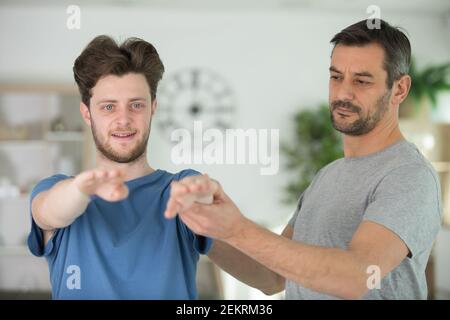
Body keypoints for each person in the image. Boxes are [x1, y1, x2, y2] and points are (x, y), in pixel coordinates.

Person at [165, 19, 443, 299]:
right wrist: (205, 229)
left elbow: (357, 277)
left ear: (399, 89)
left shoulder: (409, 175)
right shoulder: (327, 176)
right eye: (336, 77)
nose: (343, 93)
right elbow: (272, 276)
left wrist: (237, 227)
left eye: (361, 81)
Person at [27, 35, 212, 299]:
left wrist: (202, 195)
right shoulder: (57, 189)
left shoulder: (180, 187)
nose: (123, 119)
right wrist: (81, 189)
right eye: (109, 107)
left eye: (136, 105)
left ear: (153, 108)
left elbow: (203, 198)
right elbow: (49, 212)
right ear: (87, 113)